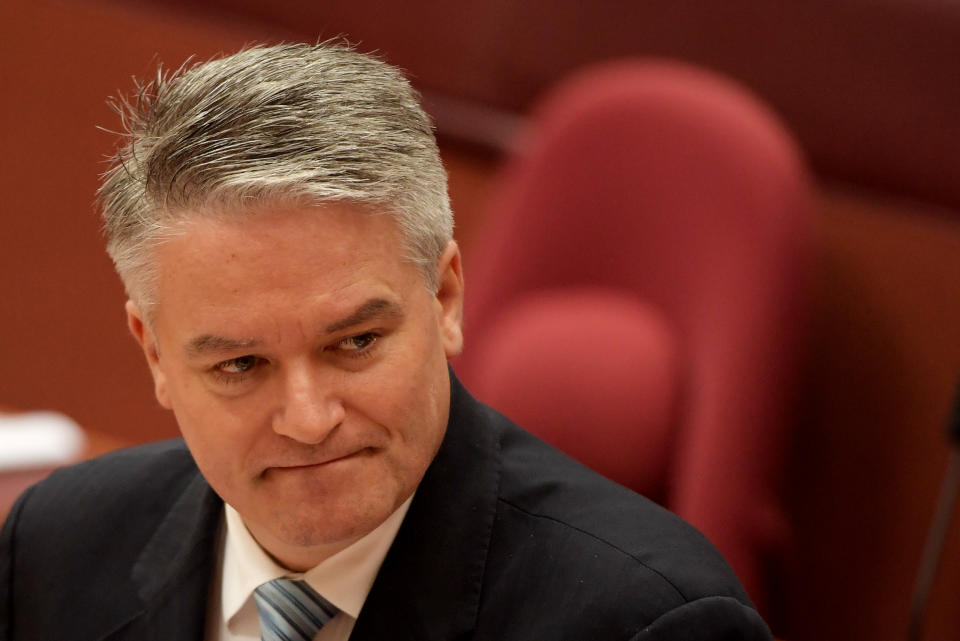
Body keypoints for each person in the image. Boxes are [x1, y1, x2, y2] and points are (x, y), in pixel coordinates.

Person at [0, 43, 771, 641]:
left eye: (355, 342)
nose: (308, 418)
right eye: (240, 364)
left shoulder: (649, 620)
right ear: (155, 354)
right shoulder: (58, 546)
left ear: (445, 298)